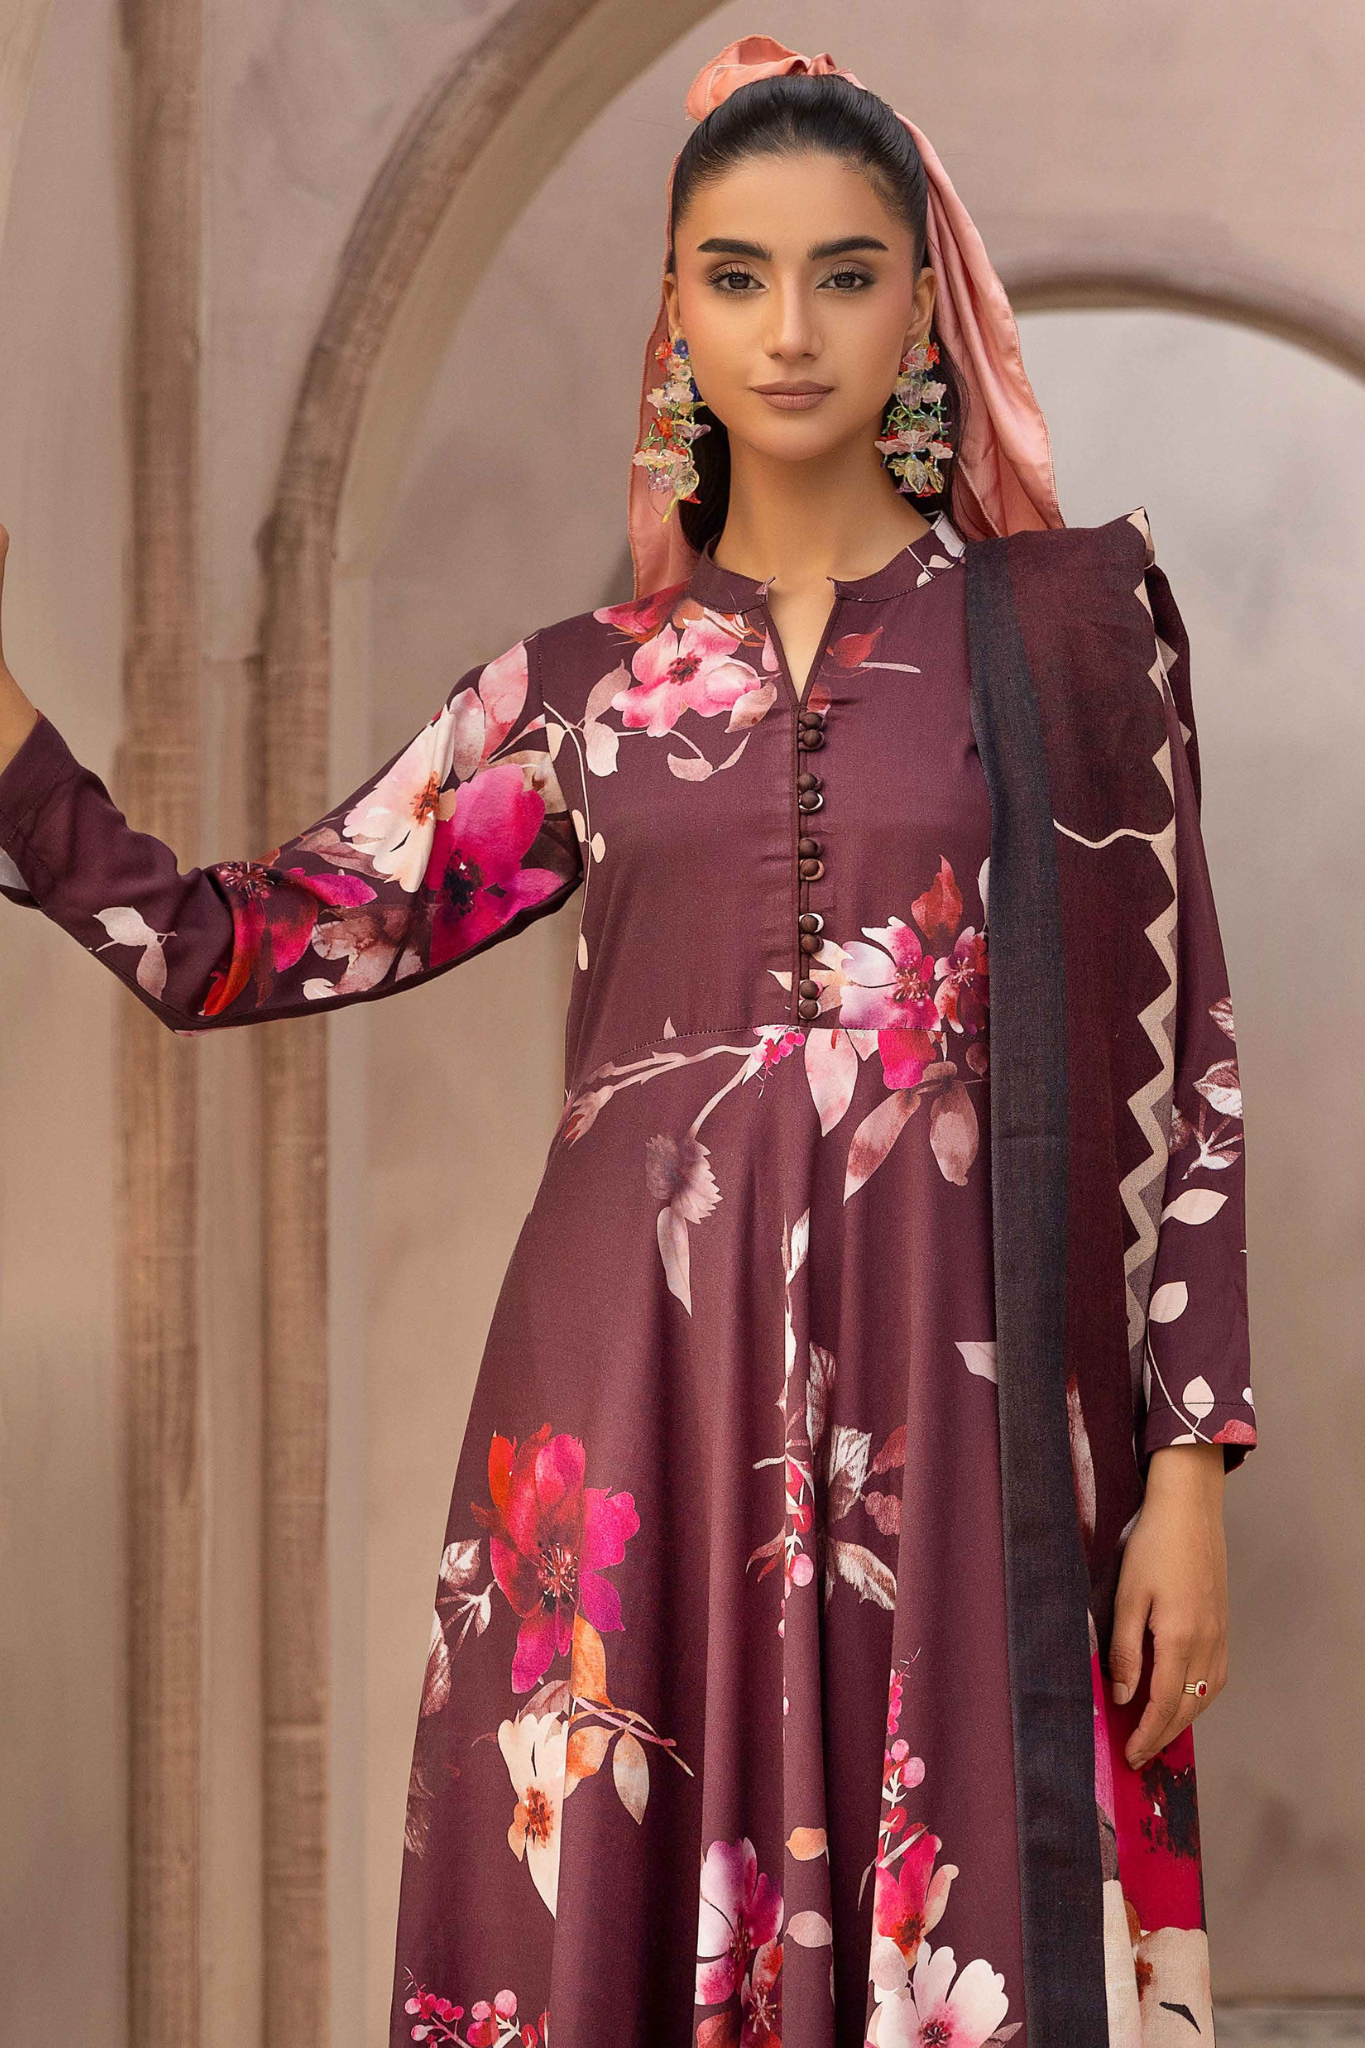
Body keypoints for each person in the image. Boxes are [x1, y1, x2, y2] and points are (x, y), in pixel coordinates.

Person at [0, 34, 1255, 2048]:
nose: (791, 329)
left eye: (844, 273)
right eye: (738, 276)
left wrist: (1187, 1464)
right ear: (676, 309)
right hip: (631, 1410)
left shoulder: (1071, 636)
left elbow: (1189, 1065)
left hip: (970, 1422)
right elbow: (244, 944)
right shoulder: (580, 692)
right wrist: (9, 744)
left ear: (923, 306)